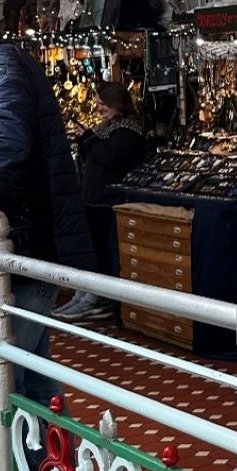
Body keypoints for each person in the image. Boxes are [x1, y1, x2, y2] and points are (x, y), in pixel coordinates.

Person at [0, 30, 96, 407]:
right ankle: (50, 466)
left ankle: (27, 466)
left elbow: (3, 149)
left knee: (6, 384)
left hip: (20, 251)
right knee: (31, 379)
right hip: (25, 252)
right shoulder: (3, 65)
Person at [56, 81, 146, 322]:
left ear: (116, 103)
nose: (99, 108)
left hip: (107, 202)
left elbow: (109, 158)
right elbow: (96, 155)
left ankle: (97, 297)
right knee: (91, 251)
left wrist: (88, 138)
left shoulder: (128, 130)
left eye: (103, 104)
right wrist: (87, 140)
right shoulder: (109, 127)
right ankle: (85, 293)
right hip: (95, 199)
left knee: (101, 253)